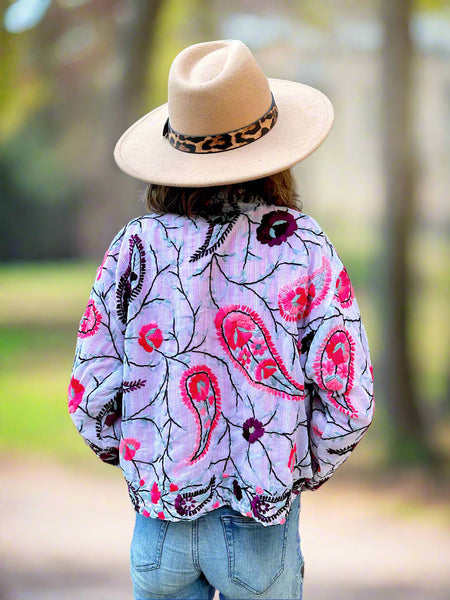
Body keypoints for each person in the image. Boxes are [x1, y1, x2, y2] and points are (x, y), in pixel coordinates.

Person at [68, 39, 374, 600]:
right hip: (260, 529)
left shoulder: (135, 247)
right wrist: (293, 469)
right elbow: (349, 402)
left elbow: (89, 393)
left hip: (159, 524)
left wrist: (146, 464)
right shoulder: (302, 247)